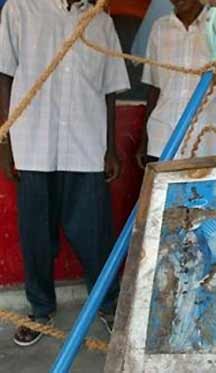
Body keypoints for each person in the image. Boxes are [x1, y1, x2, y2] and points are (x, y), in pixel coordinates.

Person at [0, 0, 130, 346]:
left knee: (96, 235)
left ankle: (107, 304)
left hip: (86, 147)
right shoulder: (19, 9)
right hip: (33, 142)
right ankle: (41, 310)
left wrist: (110, 147)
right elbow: (4, 75)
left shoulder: (100, 22)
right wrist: (6, 139)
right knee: (36, 236)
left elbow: (109, 91)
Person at [136, 0, 216, 166]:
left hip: (206, 140)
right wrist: (144, 140)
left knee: (199, 192)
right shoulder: (160, 28)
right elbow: (154, 87)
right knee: (161, 191)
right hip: (162, 137)